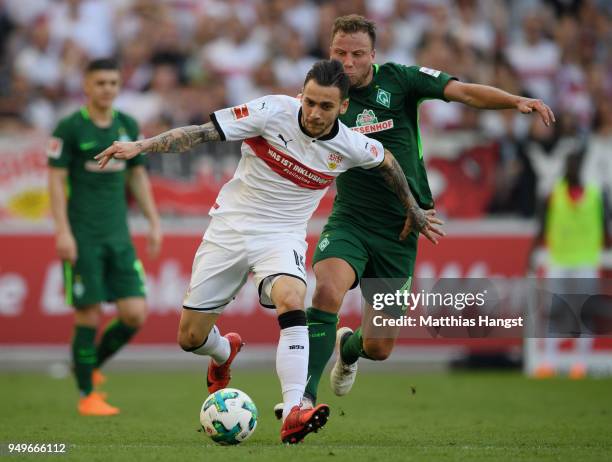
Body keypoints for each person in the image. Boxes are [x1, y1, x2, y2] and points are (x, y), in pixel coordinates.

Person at [95, 59, 444, 444]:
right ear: (301, 95)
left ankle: (295, 409)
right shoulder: (272, 111)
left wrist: (413, 207)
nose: (314, 113)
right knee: (190, 338)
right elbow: (201, 134)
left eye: (326, 106)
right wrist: (142, 145)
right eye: (309, 102)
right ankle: (223, 351)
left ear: (343, 107)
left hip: (282, 236)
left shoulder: (350, 144)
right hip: (229, 228)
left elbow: (388, 161)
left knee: (293, 297)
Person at [292, 14, 556, 410]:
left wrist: (514, 100)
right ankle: (303, 399)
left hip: (401, 227)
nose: (347, 62)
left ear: (373, 55)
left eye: (357, 54)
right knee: (327, 289)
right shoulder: (322, 99)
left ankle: (349, 348)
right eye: (339, 53)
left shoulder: (400, 80)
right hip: (350, 219)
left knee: (378, 347)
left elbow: (463, 92)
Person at [47, 58, 162, 416]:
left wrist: (153, 222)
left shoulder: (127, 125)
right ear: (86, 86)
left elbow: (137, 178)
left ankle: (89, 365)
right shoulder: (69, 128)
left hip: (119, 237)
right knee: (88, 315)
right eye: (100, 83)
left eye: (113, 82)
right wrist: (63, 231)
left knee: (134, 314)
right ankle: (86, 395)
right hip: (83, 237)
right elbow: (54, 181)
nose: (107, 89)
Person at [528, 150, 610, 378]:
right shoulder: (554, 194)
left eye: (577, 164)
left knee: (584, 312)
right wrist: (532, 251)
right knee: (555, 310)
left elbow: (604, 227)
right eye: (571, 164)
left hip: (586, 259)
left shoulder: (595, 195)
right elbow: (542, 225)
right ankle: (548, 362)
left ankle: (580, 364)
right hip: (560, 259)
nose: (574, 168)